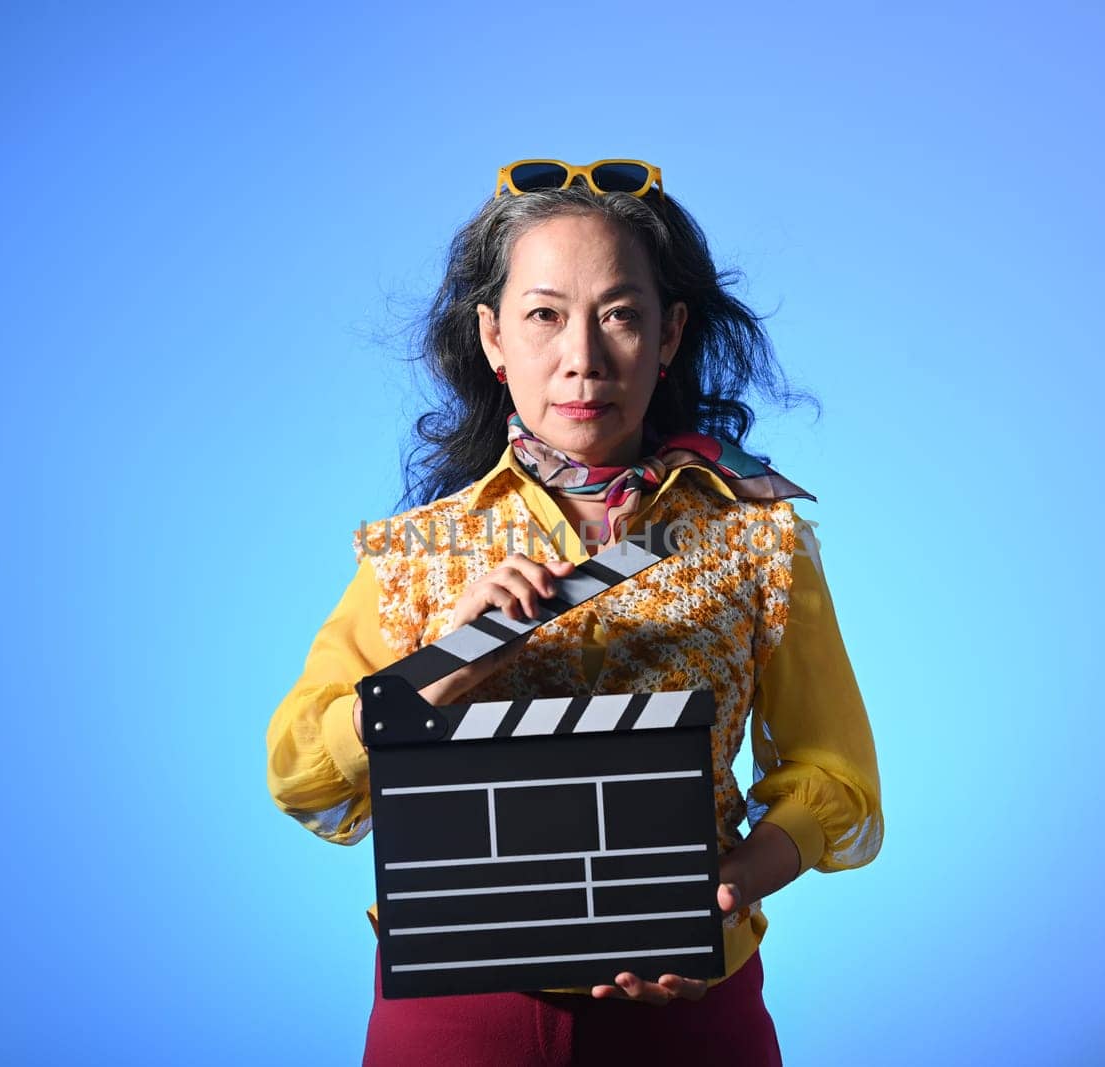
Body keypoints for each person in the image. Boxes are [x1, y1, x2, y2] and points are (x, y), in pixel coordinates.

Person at [266, 159, 883, 1066]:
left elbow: (837, 776)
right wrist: (449, 662)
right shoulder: (414, 552)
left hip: (692, 1015)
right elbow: (304, 775)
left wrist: (730, 887)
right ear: (493, 338)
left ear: (670, 333)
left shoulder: (760, 538)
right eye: (545, 314)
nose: (583, 357)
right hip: (456, 1019)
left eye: (621, 314)